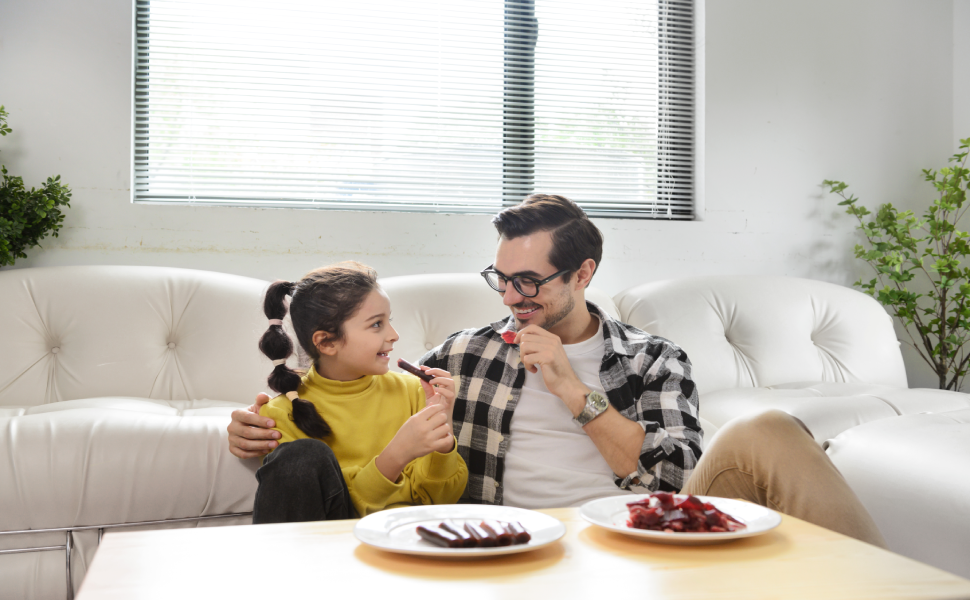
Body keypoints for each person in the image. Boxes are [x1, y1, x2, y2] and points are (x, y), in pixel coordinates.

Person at [231, 196, 886, 547]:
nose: (511, 297)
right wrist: (251, 428)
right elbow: (355, 386)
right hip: (518, 542)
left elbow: (679, 480)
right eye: (501, 279)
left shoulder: (654, 359)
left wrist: (577, 393)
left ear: (582, 275)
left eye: (527, 281)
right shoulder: (468, 354)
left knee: (770, 428)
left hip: (637, 534)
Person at [251, 261, 467, 523]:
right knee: (301, 456)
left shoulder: (414, 393)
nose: (394, 335)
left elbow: (439, 501)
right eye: (377, 324)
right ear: (327, 342)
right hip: (322, 547)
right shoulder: (282, 413)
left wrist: (442, 442)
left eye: (389, 321)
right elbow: (327, 508)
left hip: (404, 538)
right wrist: (397, 454)